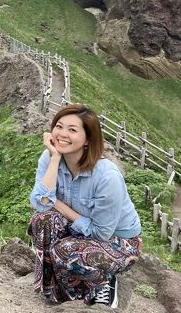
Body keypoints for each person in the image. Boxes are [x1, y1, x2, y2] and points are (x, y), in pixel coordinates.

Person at [28, 103, 142, 308]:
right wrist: (54, 160)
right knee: (42, 220)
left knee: (65, 250)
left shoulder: (107, 176)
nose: (62, 134)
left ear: (88, 139)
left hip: (118, 241)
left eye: (72, 130)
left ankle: (104, 283)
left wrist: (58, 205)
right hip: (79, 229)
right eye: (59, 126)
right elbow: (41, 204)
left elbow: (101, 234)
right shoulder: (49, 157)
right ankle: (63, 290)